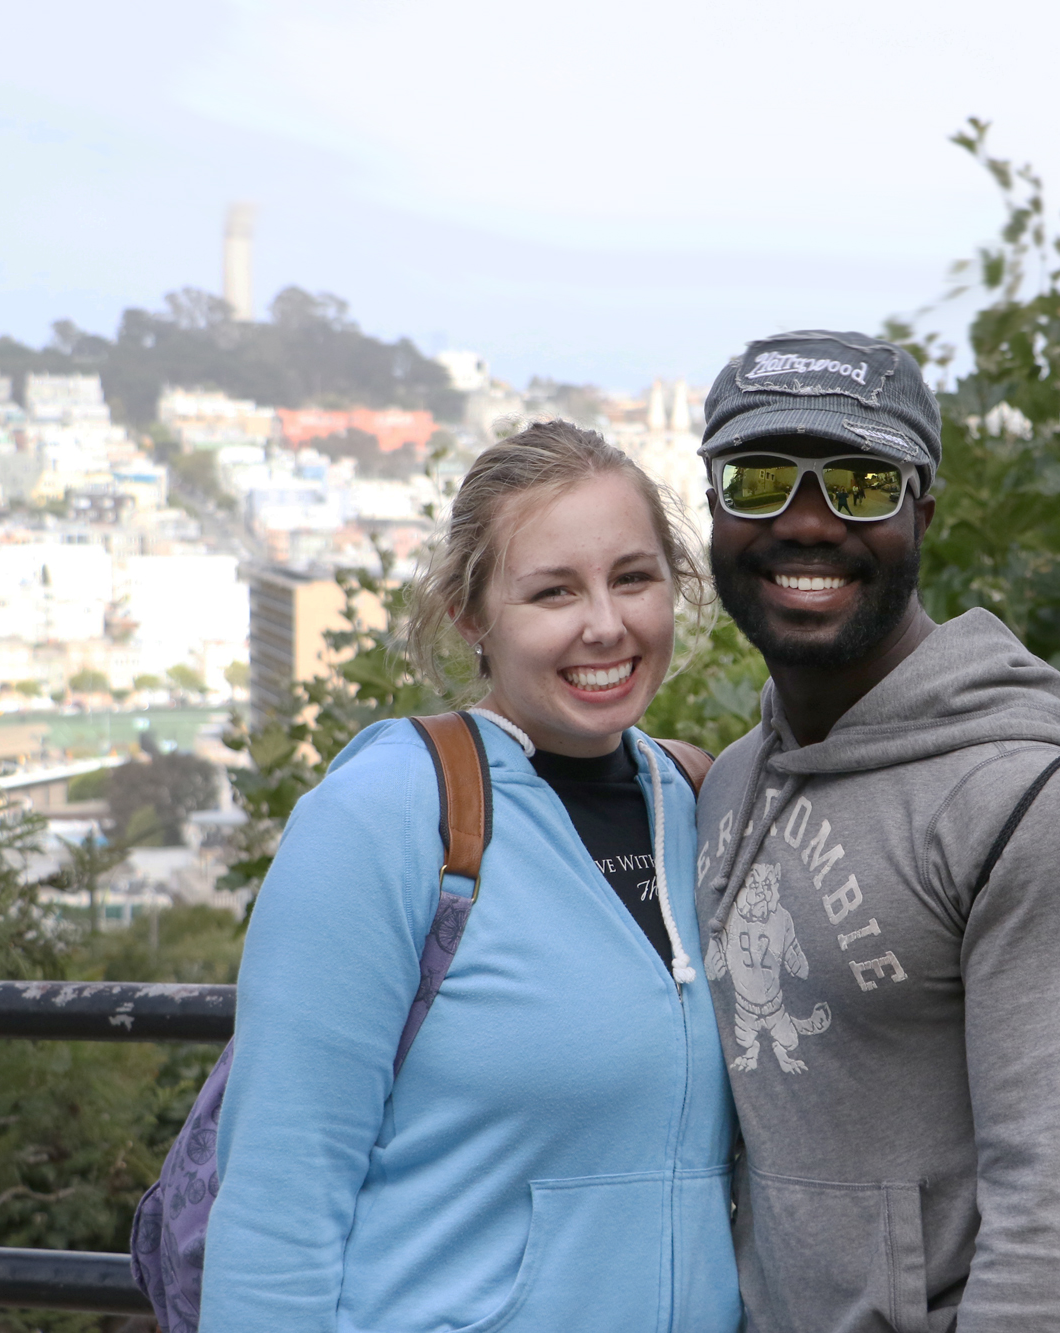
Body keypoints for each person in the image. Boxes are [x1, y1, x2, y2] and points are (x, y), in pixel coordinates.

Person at [200, 421, 742, 1333]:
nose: (605, 624)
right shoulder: (387, 816)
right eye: (553, 591)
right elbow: (279, 1202)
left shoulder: (700, 803)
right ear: (470, 613)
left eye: (634, 578)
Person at [694, 331, 1060, 1332]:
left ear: (923, 512)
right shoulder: (729, 784)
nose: (807, 520)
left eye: (861, 483)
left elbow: (1059, 1237)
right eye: (760, 478)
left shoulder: (1036, 806)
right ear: (711, 511)